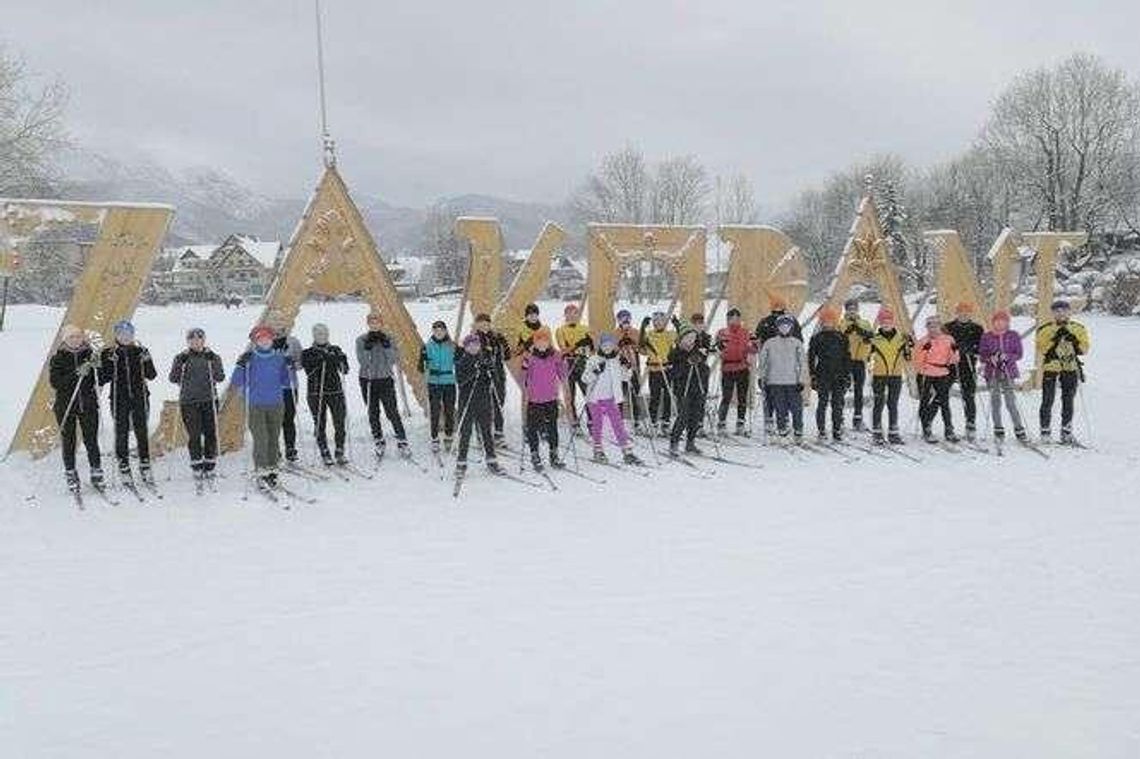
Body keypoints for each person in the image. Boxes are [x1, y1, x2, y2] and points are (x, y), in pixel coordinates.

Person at [233, 325, 293, 489]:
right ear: (255, 341)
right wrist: (240, 365)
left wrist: (289, 367)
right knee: (261, 438)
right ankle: (261, 468)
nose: (264, 341)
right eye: (260, 339)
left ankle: (272, 468)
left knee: (273, 437)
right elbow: (237, 381)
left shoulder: (278, 358)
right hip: (256, 404)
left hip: (276, 404)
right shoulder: (250, 358)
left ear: (272, 340)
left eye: (267, 338)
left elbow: (287, 382)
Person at [99, 320, 157, 483]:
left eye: (128, 334)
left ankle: (144, 461)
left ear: (133, 335)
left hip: (140, 397)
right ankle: (123, 462)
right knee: (121, 430)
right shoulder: (109, 352)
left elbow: (152, 375)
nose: (125, 337)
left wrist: (147, 360)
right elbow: (103, 378)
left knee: (141, 430)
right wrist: (108, 362)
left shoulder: (141, 351)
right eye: (121, 334)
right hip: (119, 397)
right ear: (116, 335)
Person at [49, 325, 104, 493]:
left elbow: (99, 379)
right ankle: (71, 473)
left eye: (78, 336)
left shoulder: (90, 355)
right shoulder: (58, 358)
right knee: (69, 440)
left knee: (91, 440)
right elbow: (56, 383)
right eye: (71, 337)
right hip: (66, 405)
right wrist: (76, 373)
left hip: (87, 405)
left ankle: (96, 471)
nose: (75, 339)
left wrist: (98, 367)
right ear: (64, 339)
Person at [169, 327, 226, 480]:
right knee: (194, 435)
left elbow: (220, 377)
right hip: (189, 401)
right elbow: (174, 378)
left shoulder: (212, 357)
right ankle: (196, 464)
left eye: (199, 338)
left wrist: (212, 360)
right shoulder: (181, 357)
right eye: (192, 339)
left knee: (210, 434)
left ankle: (210, 463)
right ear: (188, 341)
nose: (196, 341)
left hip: (209, 400)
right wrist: (180, 363)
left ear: (203, 340)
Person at [1036, 299, 1090, 445]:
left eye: (1064, 310)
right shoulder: (1045, 329)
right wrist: (1054, 340)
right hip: (1051, 367)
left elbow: (1084, 349)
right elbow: (1041, 348)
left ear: (1069, 312)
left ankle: (1066, 432)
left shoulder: (1078, 328)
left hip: (1070, 367)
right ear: (1053, 313)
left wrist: (1074, 341)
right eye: (1057, 311)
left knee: (1068, 400)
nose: (1060, 314)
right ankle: (1045, 431)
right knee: (1047, 400)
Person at [583, 333, 642, 465]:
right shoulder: (593, 359)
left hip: (611, 397)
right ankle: (598, 449)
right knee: (597, 424)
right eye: (605, 345)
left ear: (613, 345)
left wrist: (626, 367)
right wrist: (595, 372)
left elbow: (625, 378)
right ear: (601, 345)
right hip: (595, 398)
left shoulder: (616, 360)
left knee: (618, 424)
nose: (607, 347)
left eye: (610, 345)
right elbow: (585, 378)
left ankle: (626, 451)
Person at [356, 311, 409, 458]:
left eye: (377, 322)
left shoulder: (389, 338)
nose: (374, 325)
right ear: (368, 324)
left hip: (385, 379)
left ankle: (402, 440)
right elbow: (363, 362)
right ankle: (378, 440)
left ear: (381, 323)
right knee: (373, 412)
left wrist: (386, 346)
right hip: (368, 379)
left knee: (391, 410)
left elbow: (393, 359)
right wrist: (368, 347)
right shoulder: (361, 340)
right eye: (371, 322)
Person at [301, 323, 350, 466]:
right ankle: (324, 451)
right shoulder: (307, 352)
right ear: (313, 336)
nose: (321, 336)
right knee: (319, 423)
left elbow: (345, 370)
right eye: (318, 334)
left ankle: (340, 450)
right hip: (317, 393)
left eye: (324, 333)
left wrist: (340, 359)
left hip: (335, 392)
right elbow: (308, 371)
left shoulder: (335, 349)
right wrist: (320, 359)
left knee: (339, 422)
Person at [758, 313, 809, 444]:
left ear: (791, 327)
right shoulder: (770, 343)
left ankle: (798, 432)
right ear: (777, 327)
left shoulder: (797, 343)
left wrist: (802, 380)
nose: (784, 328)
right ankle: (782, 432)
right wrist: (762, 377)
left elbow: (802, 363)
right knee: (780, 408)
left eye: (787, 325)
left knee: (796, 408)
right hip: (775, 381)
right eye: (782, 325)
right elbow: (763, 361)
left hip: (793, 382)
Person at [754, 296, 802, 434]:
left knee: (776, 391)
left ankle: (777, 419)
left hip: (782, 360)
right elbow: (757, 340)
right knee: (772, 391)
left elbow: (798, 341)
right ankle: (773, 418)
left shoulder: (789, 321)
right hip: (771, 359)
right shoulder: (765, 322)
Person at [454, 333, 502, 474]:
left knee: (486, 431)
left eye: (476, 344)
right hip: (467, 402)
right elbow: (460, 381)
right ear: (466, 347)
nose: (474, 347)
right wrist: (475, 371)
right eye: (470, 345)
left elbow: (495, 381)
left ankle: (491, 460)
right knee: (466, 433)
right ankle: (461, 463)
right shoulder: (461, 362)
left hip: (483, 401)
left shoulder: (484, 359)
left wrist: (491, 371)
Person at [977, 310, 1027, 443]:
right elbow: (982, 355)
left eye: (1003, 320)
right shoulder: (987, 336)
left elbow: (1019, 354)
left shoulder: (1013, 335)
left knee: (1011, 402)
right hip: (992, 372)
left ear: (1007, 322)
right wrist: (990, 358)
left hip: (1008, 371)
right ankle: (998, 428)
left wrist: (1007, 357)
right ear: (993, 322)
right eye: (997, 321)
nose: (1000, 323)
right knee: (995, 402)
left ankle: (1019, 428)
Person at [521, 326, 566, 470]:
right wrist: (525, 364)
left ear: (549, 342)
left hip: (551, 398)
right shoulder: (530, 357)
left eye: (545, 340)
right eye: (538, 341)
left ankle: (554, 454)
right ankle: (535, 455)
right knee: (533, 428)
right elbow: (524, 377)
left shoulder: (555, 356)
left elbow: (563, 374)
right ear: (534, 342)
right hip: (535, 399)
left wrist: (563, 364)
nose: (542, 343)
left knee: (552, 427)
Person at [867, 308, 912, 445]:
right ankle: (877, 432)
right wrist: (866, 345)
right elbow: (867, 357)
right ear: (880, 323)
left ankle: (893, 432)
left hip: (896, 375)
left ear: (893, 322)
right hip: (879, 375)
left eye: (889, 321)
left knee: (892, 404)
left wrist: (909, 344)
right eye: (883, 322)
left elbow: (908, 357)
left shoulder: (901, 338)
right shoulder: (875, 339)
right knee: (879, 403)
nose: (886, 324)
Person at [914, 315, 961, 443]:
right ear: (927, 327)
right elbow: (917, 361)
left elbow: (954, 360)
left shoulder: (948, 339)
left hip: (942, 372)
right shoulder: (923, 341)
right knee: (924, 401)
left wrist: (955, 351)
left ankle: (949, 429)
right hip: (926, 373)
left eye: (935, 326)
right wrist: (924, 351)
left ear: (940, 327)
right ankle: (926, 429)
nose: (933, 329)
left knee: (944, 402)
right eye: (930, 326)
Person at [666, 326, 710, 456]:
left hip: (697, 388)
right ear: (681, 339)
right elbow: (673, 373)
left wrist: (700, 361)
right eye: (687, 338)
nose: (690, 341)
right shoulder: (675, 353)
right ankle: (674, 442)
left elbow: (705, 371)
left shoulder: (698, 351)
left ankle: (690, 442)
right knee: (683, 416)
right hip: (683, 390)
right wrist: (687, 363)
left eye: (693, 338)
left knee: (695, 416)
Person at [808, 307, 849, 441]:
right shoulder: (816, 338)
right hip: (822, 374)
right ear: (821, 322)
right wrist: (812, 375)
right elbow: (811, 357)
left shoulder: (842, 337)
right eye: (825, 321)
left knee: (837, 405)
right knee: (822, 403)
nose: (828, 324)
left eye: (831, 321)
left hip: (839, 375)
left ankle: (836, 430)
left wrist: (847, 375)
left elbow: (846, 357)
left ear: (835, 322)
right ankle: (821, 430)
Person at [944, 302, 984, 441]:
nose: (964, 315)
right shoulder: (948, 327)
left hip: (968, 365)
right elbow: (942, 345)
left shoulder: (977, 328)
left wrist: (972, 350)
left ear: (970, 313)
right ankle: (944, 426)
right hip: (951, 366)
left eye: (966, 312)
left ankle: (970, 425)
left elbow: (981, 348)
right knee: (942, 395)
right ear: (957, 313)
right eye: (961, 312)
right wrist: (953, 349)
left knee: (969, 396)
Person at [715, 307, 756, 435]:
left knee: (742, 398)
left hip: (742, 368)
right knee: (726, 397)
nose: (734, 321)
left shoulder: (746, 332)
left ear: (740, 319)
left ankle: (740, 423)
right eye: (731, 318)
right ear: (727, 319)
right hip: (727, 368)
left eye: (736, 318)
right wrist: (719, 347)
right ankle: (721, 423)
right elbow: (716, 348)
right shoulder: (722, 332)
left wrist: (753, 345)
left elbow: (754, 348)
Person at [417, 320, 457, 452]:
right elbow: (420, 367)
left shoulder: (452, 346)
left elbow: (461, 361)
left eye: (441, 330)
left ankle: (448, 436)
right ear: (433, 332)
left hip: (449, 382)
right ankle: (434, 438)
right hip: (433, 382)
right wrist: (423, 361)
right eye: (436, 330)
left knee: (449, 411)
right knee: (434, 411)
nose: (438, 333)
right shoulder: (427, 346)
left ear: (445, 331)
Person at [474, 312, 512, 447]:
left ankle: (498, 433)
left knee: (498, 403)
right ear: (477, 325)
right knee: (483, 406)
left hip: (498, 375)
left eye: (487, 323)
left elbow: (507, 356)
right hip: (482, 377)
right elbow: (470, 356)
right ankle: (482, 435)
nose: (484, 326)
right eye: (481, 323)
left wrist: (504, 345)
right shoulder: (474, 338)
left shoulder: (496, 337)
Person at [270, 321, 303, 463]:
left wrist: (293, 364)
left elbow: (301, 363)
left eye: (281, 328)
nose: (278, 331)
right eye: (275, 328)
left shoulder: (293, 342)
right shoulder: (266, 342)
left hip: (290, 386)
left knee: (288, 419)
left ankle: (290, 449)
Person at [555, 303, 594, 424]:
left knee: (588, 393)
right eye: (569, 314)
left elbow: (592, 349)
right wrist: (577, 345)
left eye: (575, 313)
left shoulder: (585, 329)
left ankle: (592, 420)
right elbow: (563, 350)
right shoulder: (560, 330)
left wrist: (588, 346)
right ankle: (573, 420)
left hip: (582, 362)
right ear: (565, 315)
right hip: (568, 363)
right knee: (570, 395)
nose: (572, 316)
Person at [840, 299, 875, 430]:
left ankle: (858, 418)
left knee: (859, 390)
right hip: (845, 361)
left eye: (854, 309)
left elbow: (872, 339)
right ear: (846, 310)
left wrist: (864, 334)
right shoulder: (841, 323)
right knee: (842, 389)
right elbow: (838, 339)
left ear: (858, 310)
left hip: (860, 360)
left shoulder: (865, 323)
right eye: (849, 309)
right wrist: (846, 332)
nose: (852, 311)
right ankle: (840, 418)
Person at [639, 311, 675, 436]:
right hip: (654, 370)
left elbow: (679, 341)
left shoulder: (669, 334)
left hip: (666, 369)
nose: (658, 323)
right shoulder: (649, 334)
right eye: (656, 321)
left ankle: (665, 423)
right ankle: (653, 423)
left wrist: (677, 324)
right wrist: (642, 328)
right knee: (655, 397)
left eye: (660, 320)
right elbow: (641, 348)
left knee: (667, 397)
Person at [614, 309, 645, 431]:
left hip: (634, 365)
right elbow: (610, 350)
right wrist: (619, 346)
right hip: (620, 368)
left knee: (634, 393)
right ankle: (618, 421)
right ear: (619, 320)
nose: (625, 321)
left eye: (627, 318)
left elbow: (642, 350)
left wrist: (635, 344)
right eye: (622, 319)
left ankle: (636, 421)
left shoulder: (635, 332)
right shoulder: (615, 333)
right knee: (620, 395)